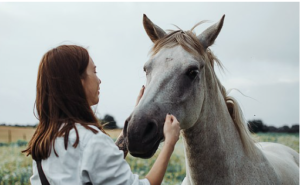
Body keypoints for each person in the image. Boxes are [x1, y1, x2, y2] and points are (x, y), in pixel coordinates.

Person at [22, 45, 181, 185]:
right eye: (94, 71)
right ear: (78, 81)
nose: (99, 80)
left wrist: (134, 113)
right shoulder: (91, 142)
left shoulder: (45, 142)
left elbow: (100, 163)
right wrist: (169, 143)